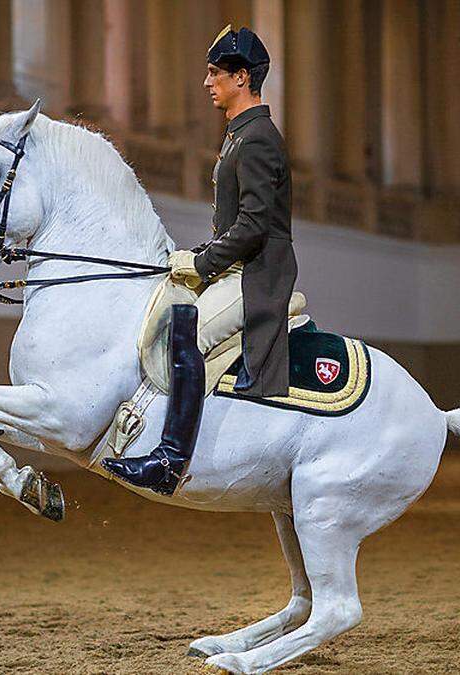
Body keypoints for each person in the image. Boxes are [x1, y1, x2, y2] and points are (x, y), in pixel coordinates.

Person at [102, 25, 296, 495]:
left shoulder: (257, 138)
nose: (207, 82)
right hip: (236, 266)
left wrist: (203, 263)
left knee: (182, 334)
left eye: (215, 73)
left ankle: (169, 459)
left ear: (242, 77)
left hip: (256, 276)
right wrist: (193, 257)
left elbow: (253, 227)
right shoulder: (239, 135)